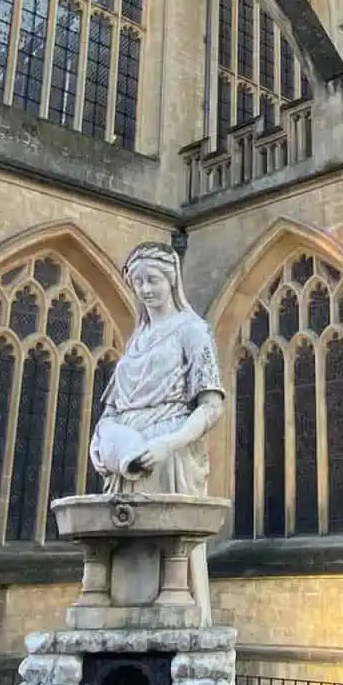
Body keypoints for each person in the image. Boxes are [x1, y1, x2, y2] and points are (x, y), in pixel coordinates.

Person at [89, 241, 225, 621]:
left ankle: (176, 625)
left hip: (169, 454)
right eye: (138, 282)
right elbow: (113, 406)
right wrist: (100, 442)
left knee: (170, 552)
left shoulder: (192, 331)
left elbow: (212, 405)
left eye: (153, 279)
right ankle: (121, 622)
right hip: (125, 455)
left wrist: (168, 444)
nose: (146, 289)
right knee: (123, 543)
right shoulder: (136, 341)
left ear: (172, 281)